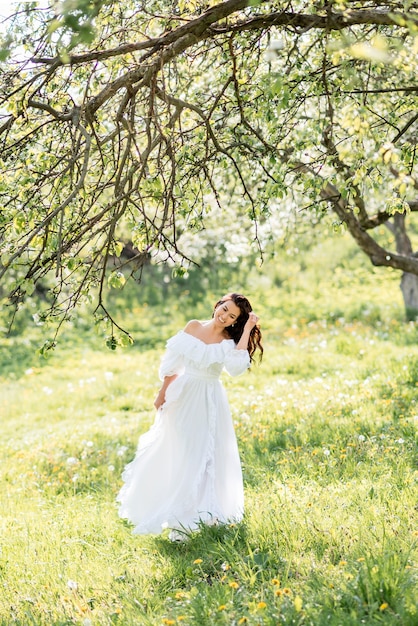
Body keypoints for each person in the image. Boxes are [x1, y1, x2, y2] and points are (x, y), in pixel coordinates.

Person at [117, 292, 263, 540]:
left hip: (209, 399)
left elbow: (237, 368)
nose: (224, 316)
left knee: (205, 453)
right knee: (177, 449)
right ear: (217, 305)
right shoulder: (193, 327)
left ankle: (200, 513)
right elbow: (173, 364)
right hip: (183, 396)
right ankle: (170, 508)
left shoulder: (229, 340)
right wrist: (162, 393)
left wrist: (248, 328)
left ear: (236, 321)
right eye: (224, 309)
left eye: (232, 316)